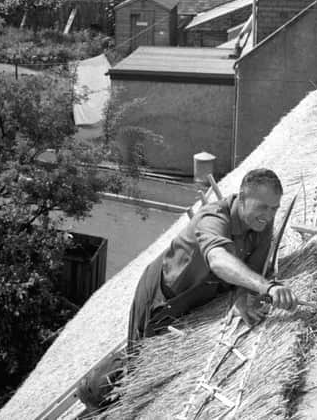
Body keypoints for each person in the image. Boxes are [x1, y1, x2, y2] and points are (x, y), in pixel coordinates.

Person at [77, 168, 298, 410]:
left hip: (200, 292)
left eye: (275, 208)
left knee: (158, 364)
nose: (269, 215)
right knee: (140, 360)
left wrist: (243, 295)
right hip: (163, 295)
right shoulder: (213, 218)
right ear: (242, 198)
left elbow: (254, 265)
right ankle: (93, 393)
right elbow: (218, 259)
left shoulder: (260, 223)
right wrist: (267, 287)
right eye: (263, 207)